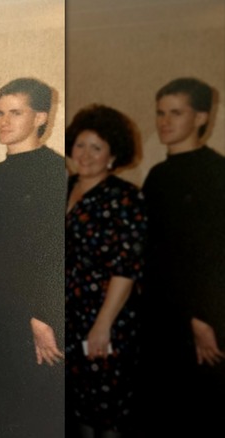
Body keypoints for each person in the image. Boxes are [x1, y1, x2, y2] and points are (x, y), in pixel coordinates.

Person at [0, 77, 66, 438]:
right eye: (0, 112)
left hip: (36, 314)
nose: (4, 121)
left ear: (41, 117)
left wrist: (42, 317)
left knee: (36, 414)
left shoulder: (55, 172)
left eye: (16, 112)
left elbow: (53, 251)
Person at [139, 77, 225, 436]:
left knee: (199, 409)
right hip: (161, 311)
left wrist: (201, 318)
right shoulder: (158, 176)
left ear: (202, 117)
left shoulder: (215, 172)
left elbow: (212, 254)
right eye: (160, 113)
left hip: (200, 315)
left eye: (176, 112)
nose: (164, 122)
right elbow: (157, 250)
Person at [64, 104, 147, 437]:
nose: (85, 154)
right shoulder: (64, 187)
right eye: (81, 145)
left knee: (106, 408)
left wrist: (102, 325)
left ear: (113, 155)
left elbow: (126, 268)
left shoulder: (125, 198)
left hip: (105, 318)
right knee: (80, 405)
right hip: (69, 316)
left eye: (96, 147)